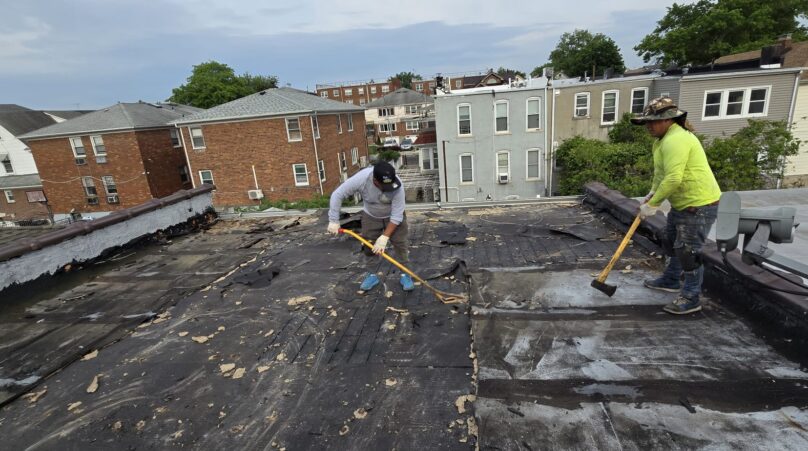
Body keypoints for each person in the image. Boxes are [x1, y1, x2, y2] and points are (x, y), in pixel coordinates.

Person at [630, 97, 721, 315]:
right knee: (670, 240)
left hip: (699, 203)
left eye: (654, 121)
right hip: (682, 204)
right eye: (647, 122)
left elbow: (673, 179)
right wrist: (651, 194)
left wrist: (654, 204)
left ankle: (691, 296)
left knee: (688, 252)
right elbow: (661, 174)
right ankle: (671, 279)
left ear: (669, 120)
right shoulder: (661, 141)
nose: (649, 126)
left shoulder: (676, 140)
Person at [326, 160, 414, 292]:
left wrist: (384, 237)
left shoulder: (397, 186)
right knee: (368, 245)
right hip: (371, 216)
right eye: (384, 186)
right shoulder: (361, 179)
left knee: (400, 244)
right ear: (375, 181)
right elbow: (337, 194)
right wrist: (333, 220)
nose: (388, 189)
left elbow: (397, 216)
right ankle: (372, 275)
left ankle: (405, 274)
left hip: (393, 216)